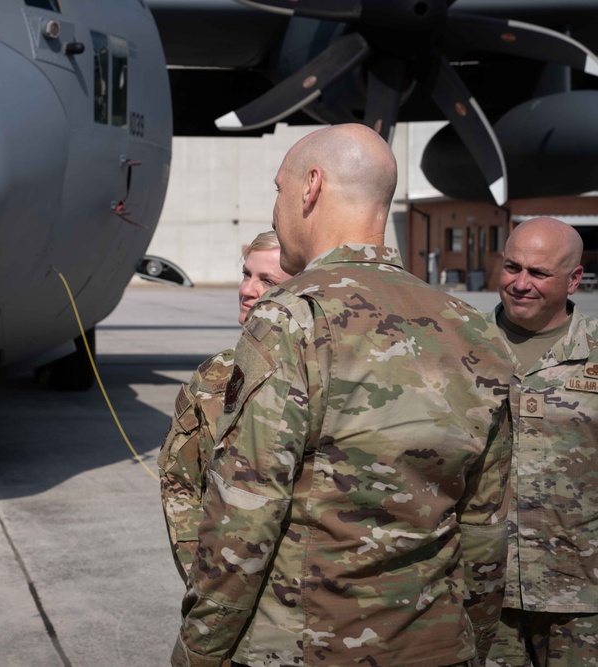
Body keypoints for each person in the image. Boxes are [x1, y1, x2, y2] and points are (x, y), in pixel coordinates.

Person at [172, 123, 514, 667]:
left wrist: (199, 650)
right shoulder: (474, 329)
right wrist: (469, 640)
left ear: (311, 187)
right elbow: (485, 527)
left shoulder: (291, 319)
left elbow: (246, 515)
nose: (276, 209)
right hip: (439, 647)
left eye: (278, 190)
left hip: (307, 648)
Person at [485, 217, 598, 667]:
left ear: (574, 279)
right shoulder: (460, 346)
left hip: (581, 594)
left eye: (538, 273)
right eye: (512, 267)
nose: (520, 284)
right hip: (482, 589)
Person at [159, 231, 292, 579]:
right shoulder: (214, 378)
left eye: (267, 280)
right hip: (224, 588)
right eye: (246, 274)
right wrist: (198, 574)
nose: (247, 291)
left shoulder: (329, 378)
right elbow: (179, 482)